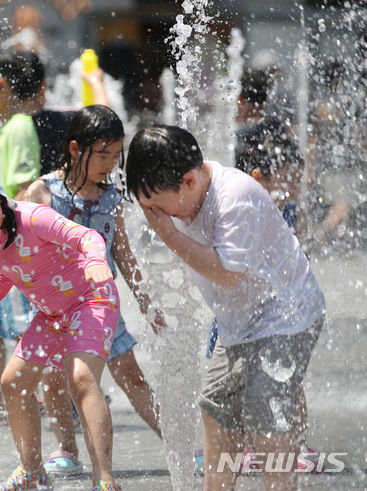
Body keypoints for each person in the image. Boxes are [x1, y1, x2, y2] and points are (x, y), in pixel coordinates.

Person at [122, 125, 325, 490]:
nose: (158, 217)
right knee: (216, 408)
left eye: (159, 208)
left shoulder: (234, 196)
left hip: (287, 314)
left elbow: (228, 274)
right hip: (239, 323)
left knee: (266, 415)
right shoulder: (186, 197)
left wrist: (169, 235)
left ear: (187, 181)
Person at [0, 156, 122, 491]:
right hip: (52, 315)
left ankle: (104, 479)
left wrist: (95, 260)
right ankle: (33, 472)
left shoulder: (33, 217)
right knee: (13, 381)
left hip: (91, 299)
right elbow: (7, 266)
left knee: (80, 378)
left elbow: (88, 236)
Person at [24, 105, 165, 475]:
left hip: (100, 305)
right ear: (75, 150)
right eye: (102, 155)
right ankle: (67, 449)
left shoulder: (111, 197)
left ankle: (181, 443)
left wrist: (148, 303)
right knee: (54, 380)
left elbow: (124, 255)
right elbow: (12, 245)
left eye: (115, 155)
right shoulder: (43, 190)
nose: (109, 164)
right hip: (55, 305)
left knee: (131, 375)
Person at [0, 48, 79, 426]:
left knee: (31, 327)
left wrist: (8, 241)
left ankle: (53, 399)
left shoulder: (20, 126)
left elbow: (25, 190)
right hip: (3, 243)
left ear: (1, 85)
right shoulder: (4, 129)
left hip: (16, 246)